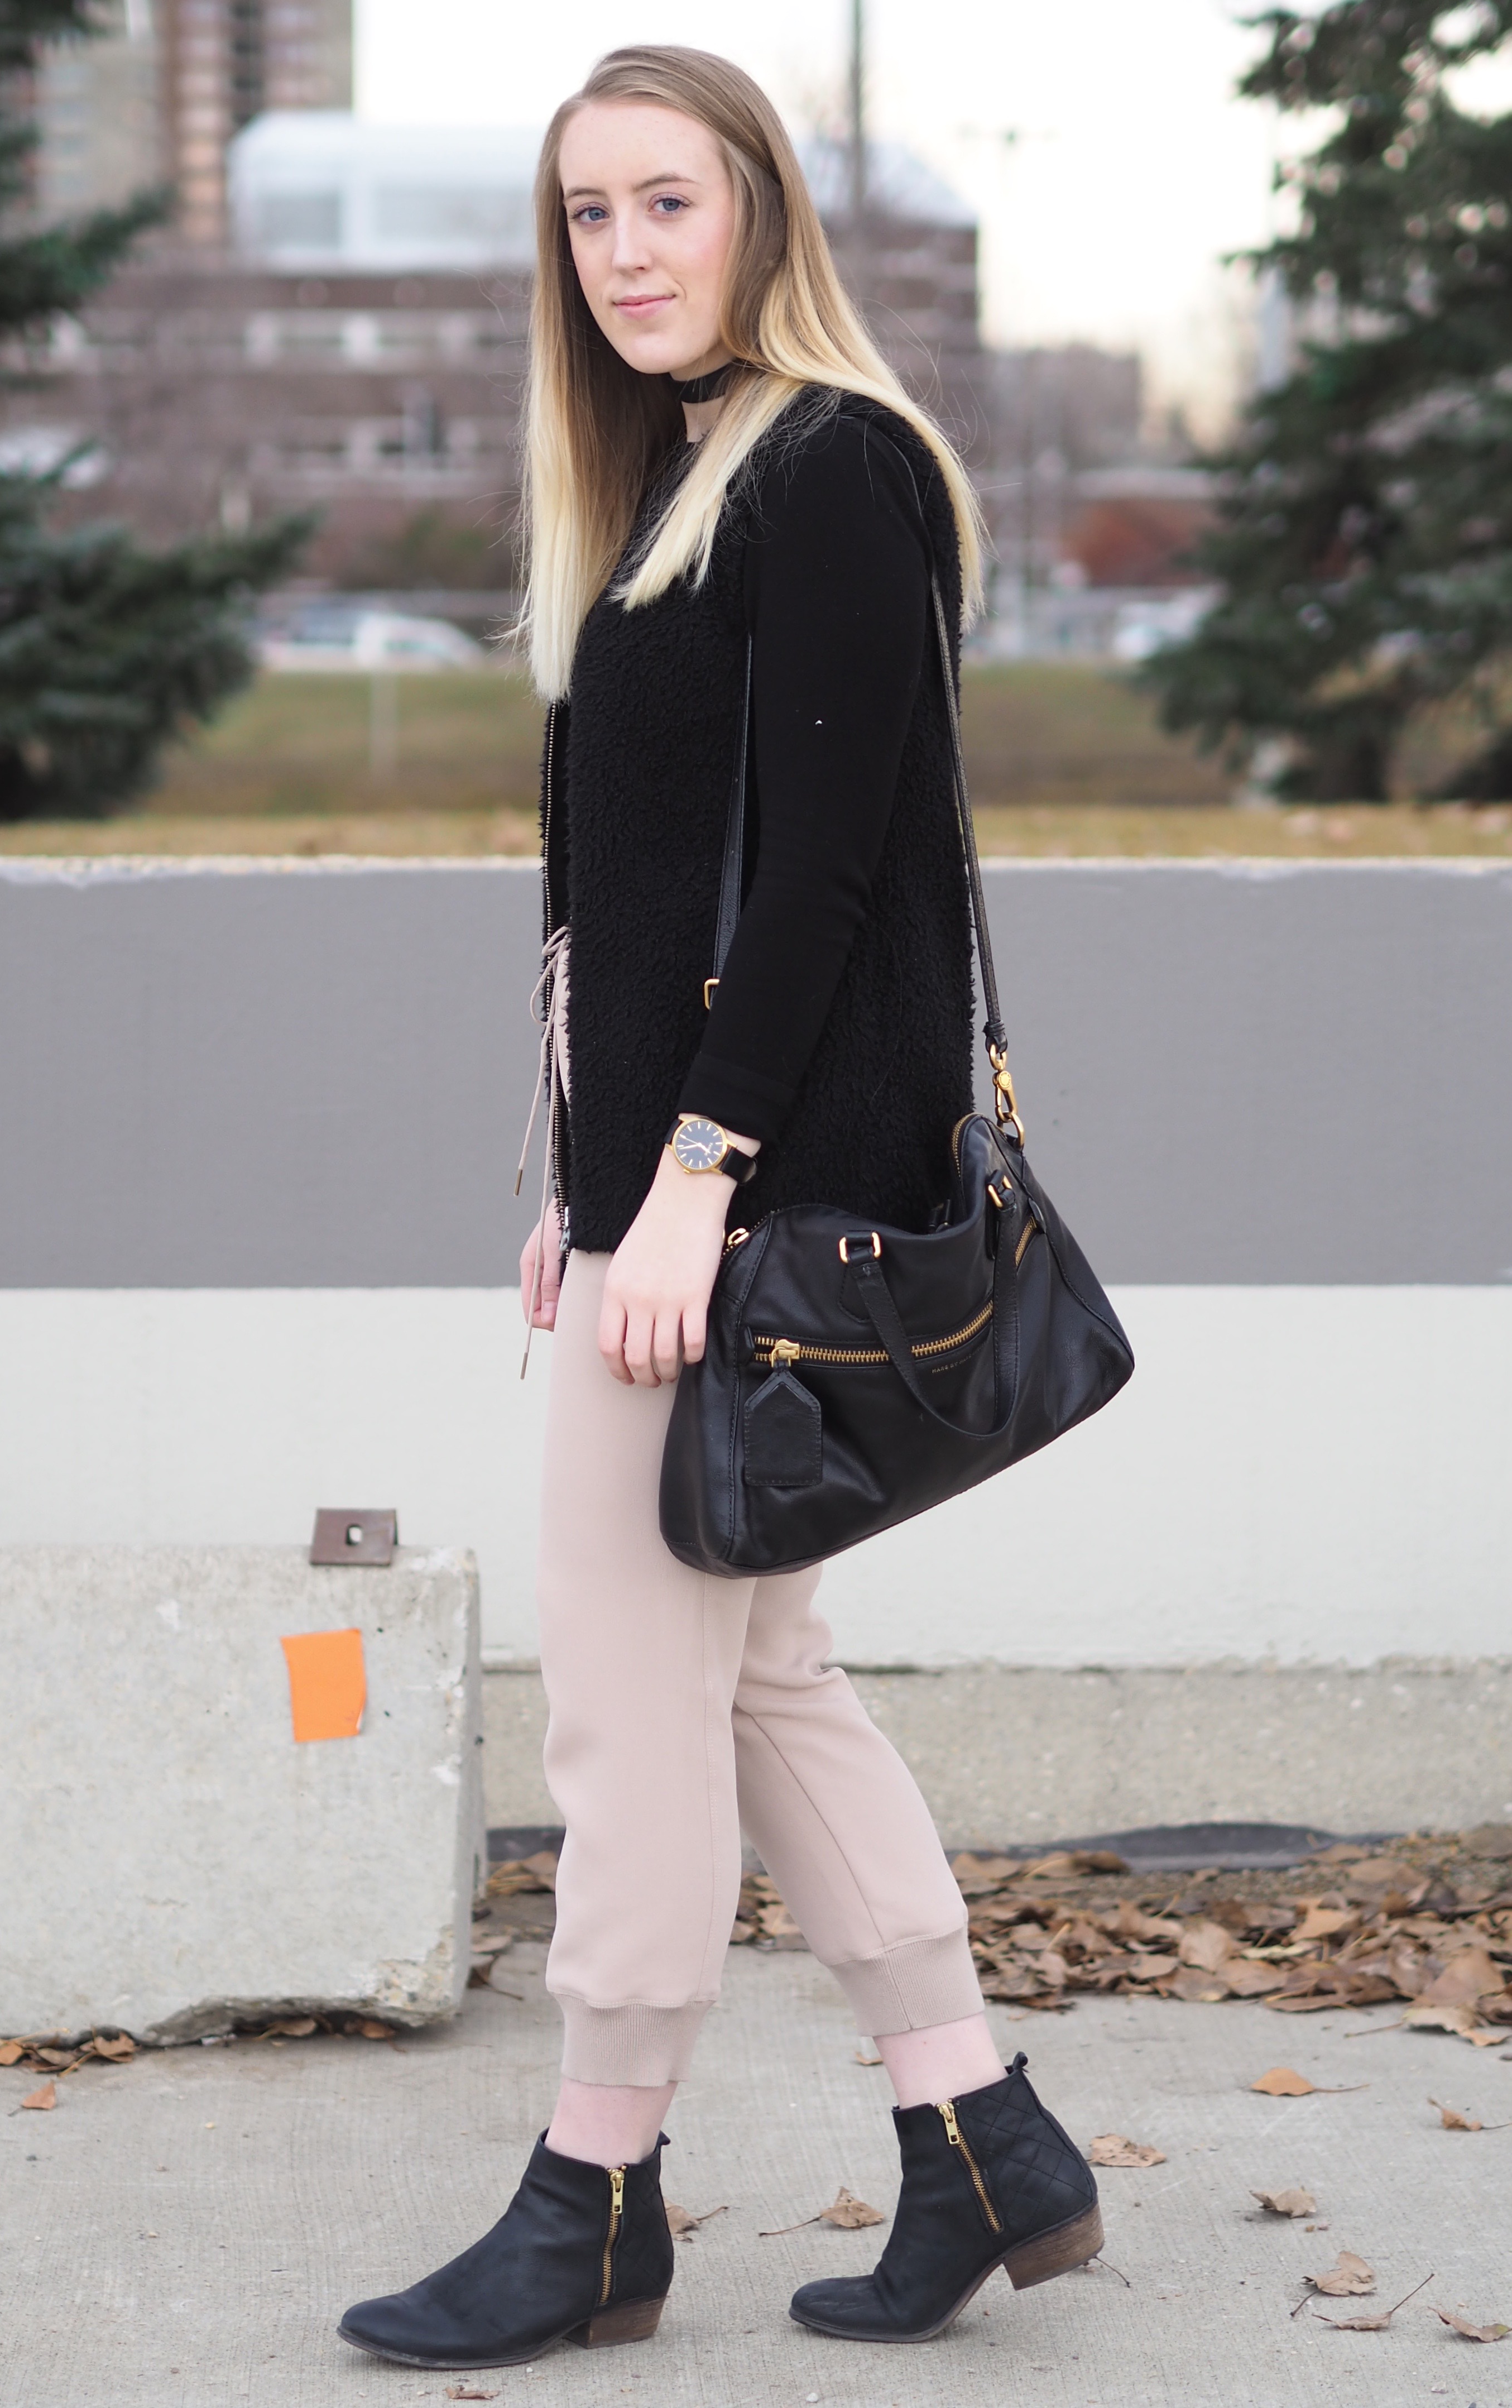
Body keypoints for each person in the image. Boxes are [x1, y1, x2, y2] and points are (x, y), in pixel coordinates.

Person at [339, 43, 1101, 2373]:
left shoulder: (833, 469)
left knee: (628, 1707)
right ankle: (984, 2136)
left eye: (670, 202)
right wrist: (571, 1182)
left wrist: (681, 1193)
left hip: (739, 1234)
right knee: (763, 1675)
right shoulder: (666, 481)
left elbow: (829, 888)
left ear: (763, 213)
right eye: (590, 217)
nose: (631, 253)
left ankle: (595, 2191)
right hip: (670, 1213)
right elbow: (640, 896)